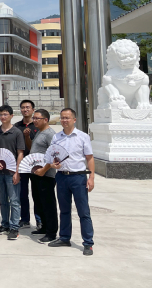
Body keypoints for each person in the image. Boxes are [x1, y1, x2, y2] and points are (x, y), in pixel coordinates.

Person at [47, 108, 95, 256]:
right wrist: (54, 164)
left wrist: (91, 177)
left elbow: (89, 158)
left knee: (83, 211)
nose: (64, 120)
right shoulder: (56, 137)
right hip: (62, 177)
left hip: (78, 177)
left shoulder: (83, 137)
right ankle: (64, 237)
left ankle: (88, 243)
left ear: (74, 119)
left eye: (67, 118)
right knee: (64, 210)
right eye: (62, 118)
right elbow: (53, 156)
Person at [0, 105, 25, 240]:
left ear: (11, 116)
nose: (3, 117)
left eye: (5, 114)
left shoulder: (17, 132)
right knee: (2, 200)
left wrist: (17, 171)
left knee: (14, 200)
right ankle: (5, 224)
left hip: (12, 172)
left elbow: (20, 153)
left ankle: (14, 227)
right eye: (1, 114)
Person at [28, 109, 58, 243]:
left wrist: (44, 169)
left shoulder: (50, 134)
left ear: (46, 120)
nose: (34, 121)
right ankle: (44, 227)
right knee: (39, 202)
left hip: (46, 175)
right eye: (33, 118)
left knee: (48, 204)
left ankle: (51, 232)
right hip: (36, 173)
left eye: (37, 118)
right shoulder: (39, 132)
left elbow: (55, 155)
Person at [14, 99, 40, 229]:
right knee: (22, 193)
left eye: (28, 107)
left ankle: (39, 219)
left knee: (37, 193)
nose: (25, 110)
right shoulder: (16, 126)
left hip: (36, 165)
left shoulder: (38, 126)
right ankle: (24, 219)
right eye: (23, 107)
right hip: (22, 164)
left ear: (33, 110)